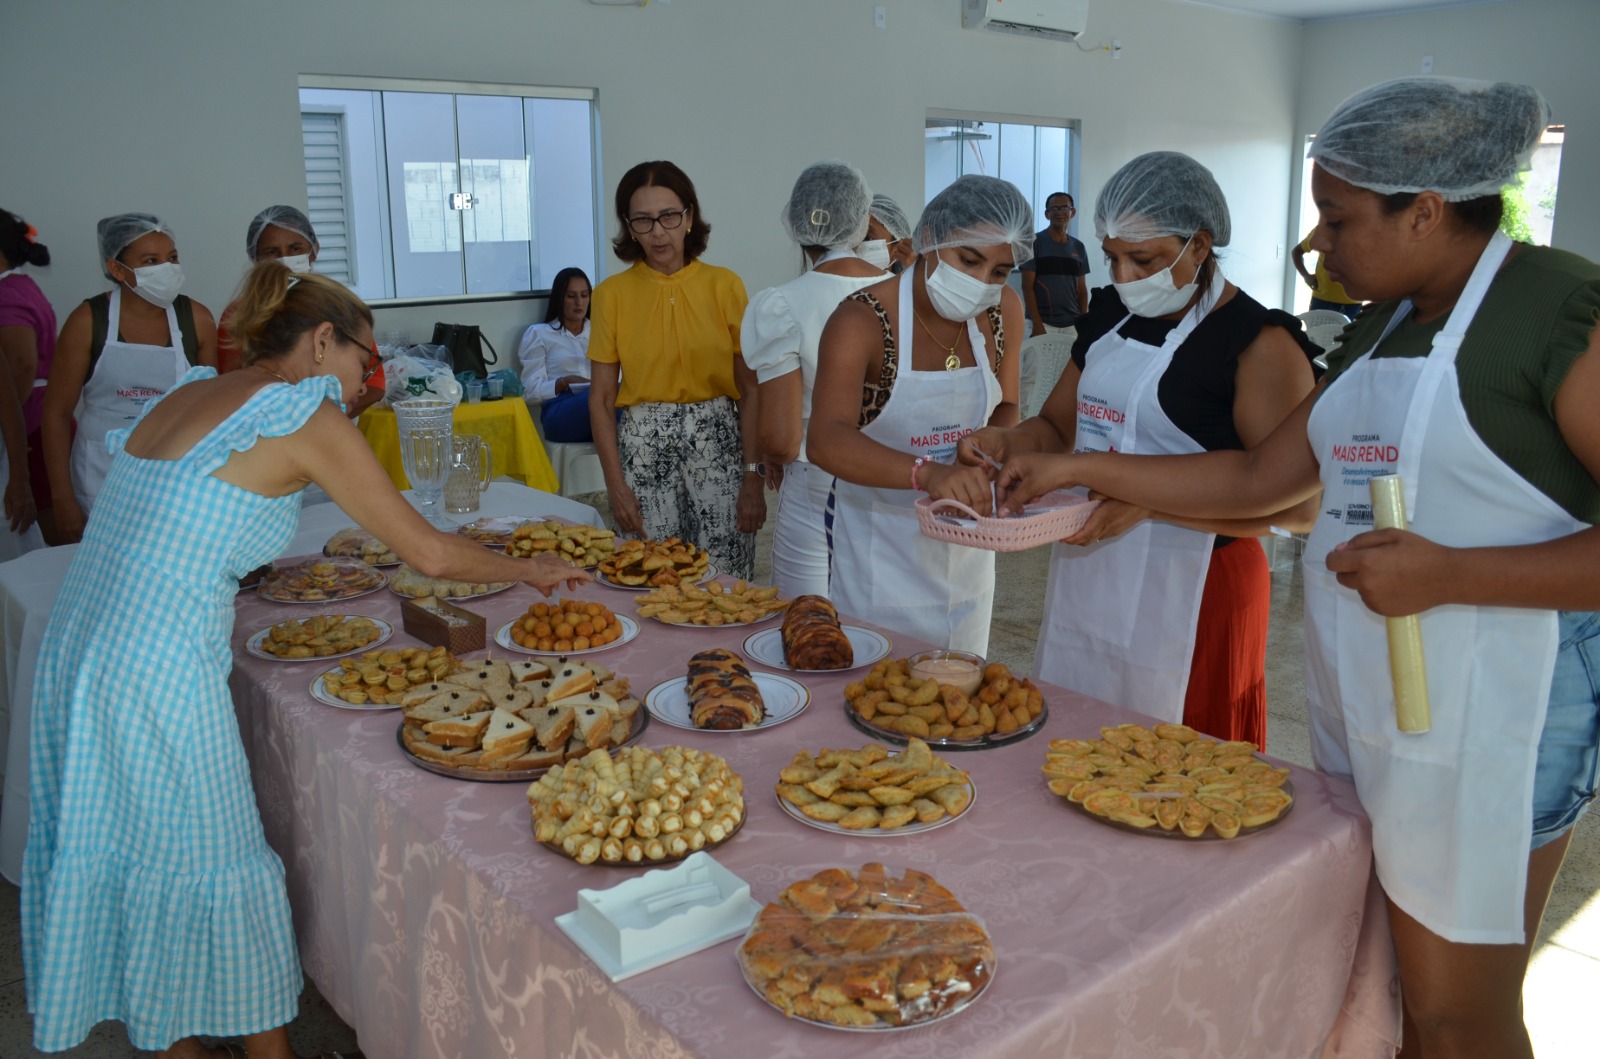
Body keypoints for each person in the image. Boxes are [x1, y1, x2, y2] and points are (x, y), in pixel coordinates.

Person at [997, 77, 1598, 1059]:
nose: (1317, 243)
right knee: (1388, 976)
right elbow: (1259, 474)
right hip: (1382, 691)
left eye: (1336, 216)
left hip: (1504, 695)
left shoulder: (1552, 307)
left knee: (1458, 1009)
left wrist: (1451, 575)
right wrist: (1071, 462)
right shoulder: (1385, 324)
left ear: (1426, 209)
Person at [22, 261, 587, 1059]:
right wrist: (531, 569)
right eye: (364, 360)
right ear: (323, 341)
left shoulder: (193, 392)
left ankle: (174, 1040)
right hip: (153, 664)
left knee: (144, 858)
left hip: (83, 646)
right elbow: (424, 549)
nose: (368, 381)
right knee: (214, 859)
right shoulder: (299, 412)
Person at [959, 152, 1319, 748]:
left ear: (1199, 246)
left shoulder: (1259, 342)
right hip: (1092, 569)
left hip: (1204, 582)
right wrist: (1007, 441)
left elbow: (1298, 507)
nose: (1123, 276)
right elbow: (1055, 425)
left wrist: (1151, 507)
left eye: (1143, 259)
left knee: (1182, 769)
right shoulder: (1108, 317)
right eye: (1112, 257)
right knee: (1084, 742)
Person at [808, 175, 1025, 654]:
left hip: (967, 549)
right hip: (879, 552)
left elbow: (1008, 405)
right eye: (968, 259)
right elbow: (826, 438)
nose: (981, 281)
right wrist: (925, 473)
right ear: (929, 240)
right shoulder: (862, 320)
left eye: (999, 271)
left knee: (963, 689)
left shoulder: (1001, 312)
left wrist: (991, 447)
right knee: (879, 692)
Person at [587, 160, 764, 578]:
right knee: (650, 572)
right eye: (643, 220)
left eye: (668, 216)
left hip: (718, 441)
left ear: (688, 217)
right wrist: (615, 487)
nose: (658, 231)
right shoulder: (611, 295)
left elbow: (751, 390)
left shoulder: (726, 286)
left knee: (726, 576)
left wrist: (752, 478)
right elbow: (600, 398)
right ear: (629, 228)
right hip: (642, 446)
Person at [744, 161, 887, 597]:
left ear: (796, 226)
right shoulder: (901, 296)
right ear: (863, 222)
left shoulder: (782, 306)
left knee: (807, 630)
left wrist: (769, 453)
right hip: (891, 480)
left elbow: (783, 440)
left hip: (815, 480)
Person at [41, 214, 218, 542]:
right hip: (101, 477)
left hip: (177, 478)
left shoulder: (197, 319)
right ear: (117, 269)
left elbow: (212, 411)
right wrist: (62, 499)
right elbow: (56, 415)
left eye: (172, 258)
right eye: (151, 261)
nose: (166, 269)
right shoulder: (87, 321)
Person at [0, 209, 51, 551]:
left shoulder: (6, 295)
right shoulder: (22, 286)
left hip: (27, 424)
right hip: (37, 418)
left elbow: (20, 364)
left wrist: (9, 429)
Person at [218, 206, 321, 374]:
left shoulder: (337, 305)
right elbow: (232, 381)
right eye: (272, 252)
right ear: (255, 259)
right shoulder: (238, 314)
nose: (285, 259)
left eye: (295, 248)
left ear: (313, 251)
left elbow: (373, 382)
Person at [517, 267, 593, 442]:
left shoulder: (602, 332)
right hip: (560, 411)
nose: (579, 303)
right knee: (598, 396)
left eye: (584, 295)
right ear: (560, 298)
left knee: (620, 396)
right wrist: (563, 382)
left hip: (600, 410)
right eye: (571, 296)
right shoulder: (540, 334)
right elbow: (529, 393)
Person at [1021, 191, 1091, 338]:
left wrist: (1084, 320)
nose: (1059, 212)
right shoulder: (1034, 243)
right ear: (1047, 214)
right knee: (1036, 362)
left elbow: (1082, 289)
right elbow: (1027, 287)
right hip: (1042, 324)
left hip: (1072, 325)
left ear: (1072, 212)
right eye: (1054, 208)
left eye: (1065, 208)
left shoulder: (1079, 247)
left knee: (1071, 362)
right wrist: (1037, 324)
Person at [1293, 226, 1363, 318]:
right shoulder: (1322, 230)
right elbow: (1296, 252)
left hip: (1353, 302)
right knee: (1316, 332)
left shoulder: (1363, 231)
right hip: (1323, 298)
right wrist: (1306, 276)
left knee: (1350, 333)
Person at [864, 193, 917, 274]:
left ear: (896, 250)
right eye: (854, 236)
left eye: (868, 238)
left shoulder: (909, 286)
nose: (856, 245)